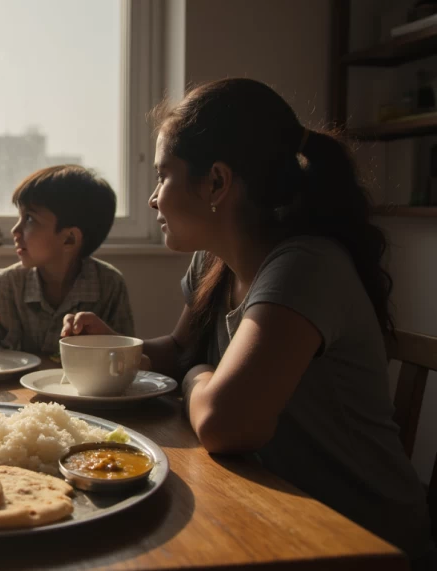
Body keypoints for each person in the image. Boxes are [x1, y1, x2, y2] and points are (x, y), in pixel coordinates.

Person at [62, 78, 434, 566]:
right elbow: (178, 348)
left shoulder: (304, 266)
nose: (153, 199)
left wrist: (198, 376)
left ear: (216, 182)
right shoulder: (212, 264)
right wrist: (118, 347)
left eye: (162, 176)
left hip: (358, 536)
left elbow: (225, 424)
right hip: (274, 504)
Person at [0, 165, 134, 356]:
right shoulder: (7, 284)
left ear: (69, 239)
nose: (15, 231)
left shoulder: (109, 285)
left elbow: (125, 358)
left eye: (29, 219)